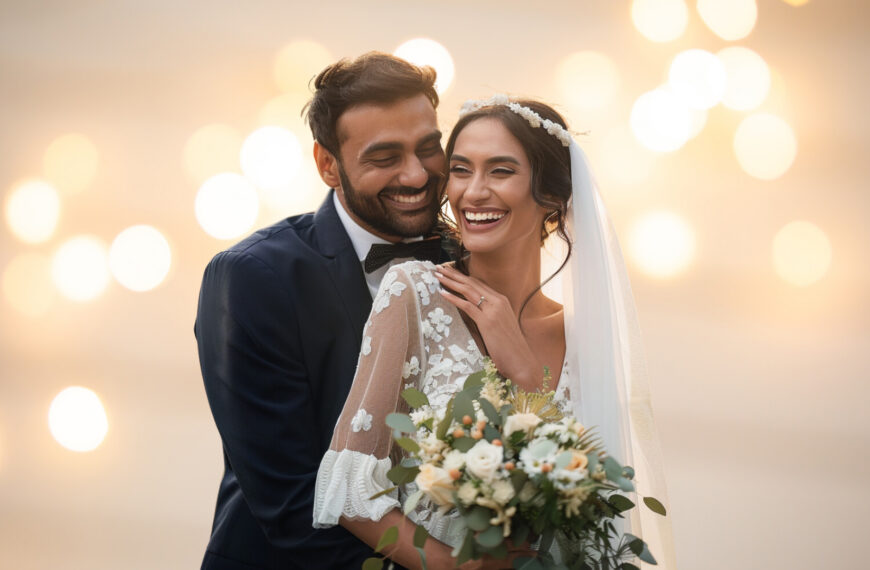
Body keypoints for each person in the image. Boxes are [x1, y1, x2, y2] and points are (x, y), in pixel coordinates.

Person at [313, 96, 677, 569]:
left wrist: (525, 371)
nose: (473, 192)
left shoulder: (585, 333)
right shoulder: (415, 293)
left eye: (501, 171)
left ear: (551, 195)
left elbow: (600, 509)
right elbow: (348, 490)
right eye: (461, 170)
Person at [195, 52, 451, 569]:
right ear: (327, 164)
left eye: (429, 148)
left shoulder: (472, 260)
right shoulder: (252, 277)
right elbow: (292, 505)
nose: (417, 173)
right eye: (385, 157)